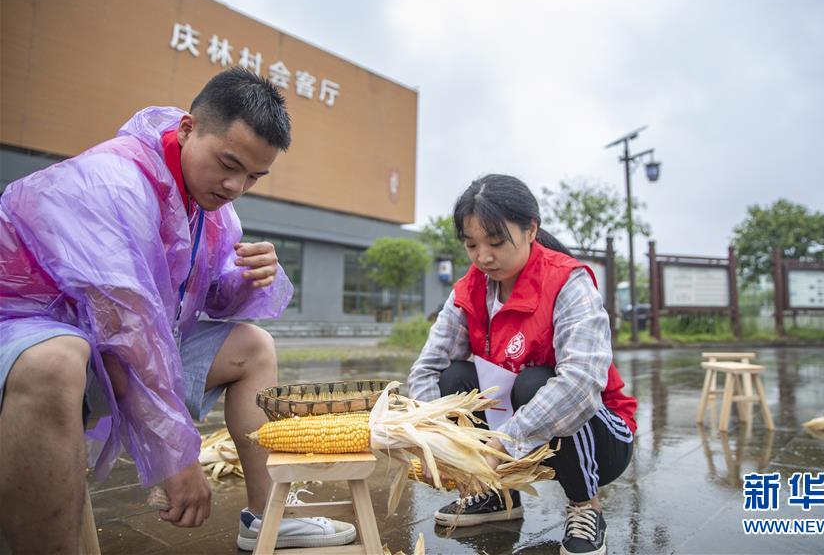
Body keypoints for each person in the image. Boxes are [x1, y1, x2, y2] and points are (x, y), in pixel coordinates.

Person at [0, 68, 355, 552]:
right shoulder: (116, 182)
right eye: (229, 164)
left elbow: (209, 296)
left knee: (253, 347)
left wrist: (250, 276)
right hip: (33, 334)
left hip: (114, 348)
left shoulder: (208, 206)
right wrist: (178, 456)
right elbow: (124, 332)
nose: (236, 185)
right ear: (188, 128)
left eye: (254, 176)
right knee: (57, 356)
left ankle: (268, 516)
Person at [407, 174, 637, 555]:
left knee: (535, 384)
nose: (483, 257)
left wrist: (504, 442)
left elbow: (580, 383)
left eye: (496, 242)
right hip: (514, 435)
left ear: (531, 229)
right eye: (471, 245)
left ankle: (586, 506)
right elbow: (427, 368)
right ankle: (497, 496)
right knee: (453, 378)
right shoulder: (469, 290)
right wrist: (434, 439)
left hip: (602, 438)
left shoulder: (568, 283)